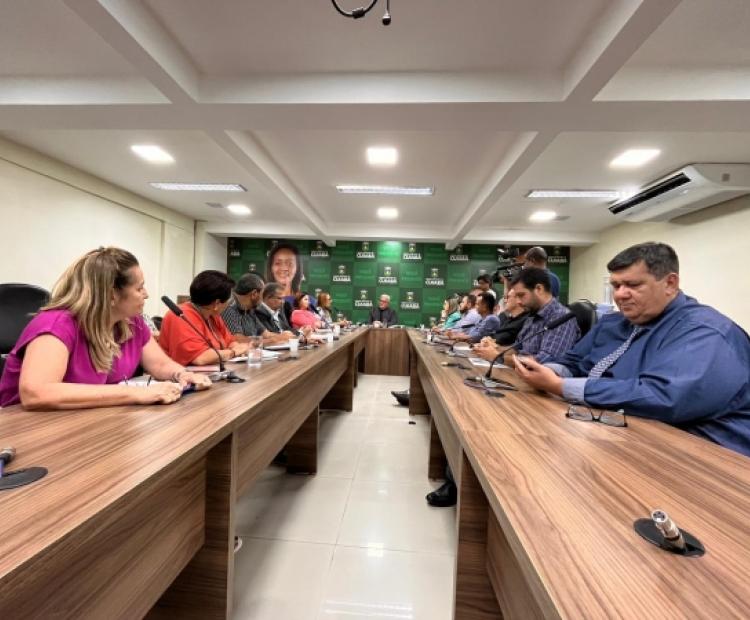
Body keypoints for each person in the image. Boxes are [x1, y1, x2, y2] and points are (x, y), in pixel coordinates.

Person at [514, 242, 750, 457]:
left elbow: (661, 397)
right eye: (616, 285)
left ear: (670, 283)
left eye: (633, 285)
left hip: (707, 456)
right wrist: (549, 371)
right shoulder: (613, 323)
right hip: (619, 434)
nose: (620, 294)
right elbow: (575, 361)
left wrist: (561, 386)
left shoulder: (705, 332)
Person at [0, 247, 211, 409]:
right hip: (29, 431)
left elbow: (159, 364)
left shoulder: (131, 322)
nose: (146, 294)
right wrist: (137, 394)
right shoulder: (56, 325)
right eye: (139, 288)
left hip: (86, 422)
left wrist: (181, 374)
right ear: (112, 294)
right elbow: (36, 393)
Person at [475, 267, 579, 365]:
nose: (518, 302)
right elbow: (516, 348)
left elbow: (543, 361)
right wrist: (492, 350)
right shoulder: (532, 315)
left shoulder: (561, 317)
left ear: (539, 289)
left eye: (521, 295)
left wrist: (498, 357)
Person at [159, 270, 249, 366]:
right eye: (228, 300)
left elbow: (230, 342)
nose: (229, 304)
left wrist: (238, 348)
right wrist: (233, 352)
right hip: (180, 374)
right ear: (216, 304)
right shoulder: (179, 316)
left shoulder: (213, 315)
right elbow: (200, 358)